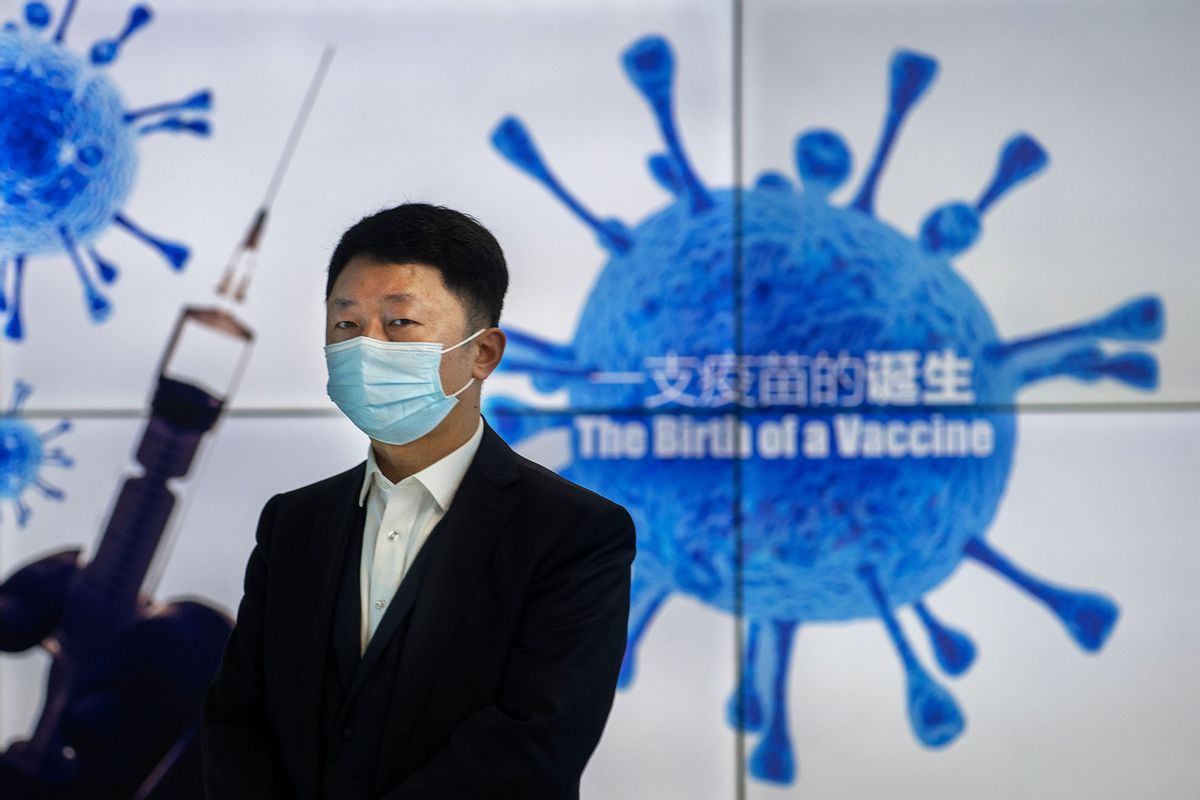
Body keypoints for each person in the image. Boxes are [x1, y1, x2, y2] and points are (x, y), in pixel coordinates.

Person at [202, 203, 636, 799]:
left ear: (482, 353)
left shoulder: (575, 532)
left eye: (399, 324)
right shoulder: (294, 524)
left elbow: (533, 746)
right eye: (346, 325)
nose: (364, 348)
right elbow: (236, 722)